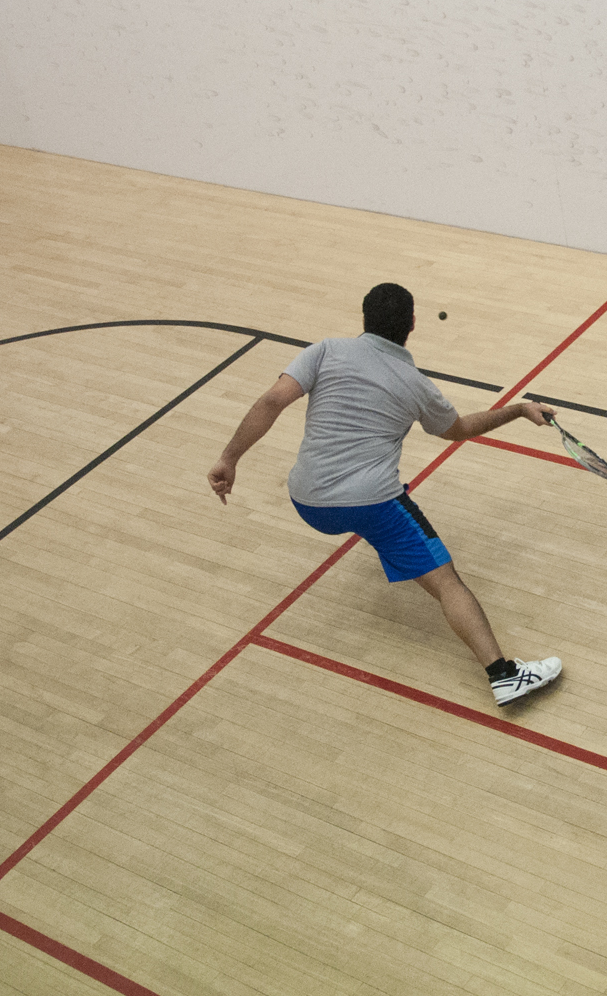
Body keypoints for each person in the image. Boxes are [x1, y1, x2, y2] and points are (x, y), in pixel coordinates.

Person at [207, 282, 564, 707]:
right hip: (372, 503)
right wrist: (520, 410)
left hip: (307, 501)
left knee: (376, 519)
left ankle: (381, 538)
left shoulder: (324, 350)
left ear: (364, 317)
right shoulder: (415, 384)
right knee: (447, 582)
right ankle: (504, 675)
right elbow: (460, 430)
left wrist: (229, 458)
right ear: (412, 325)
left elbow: (271, 401)